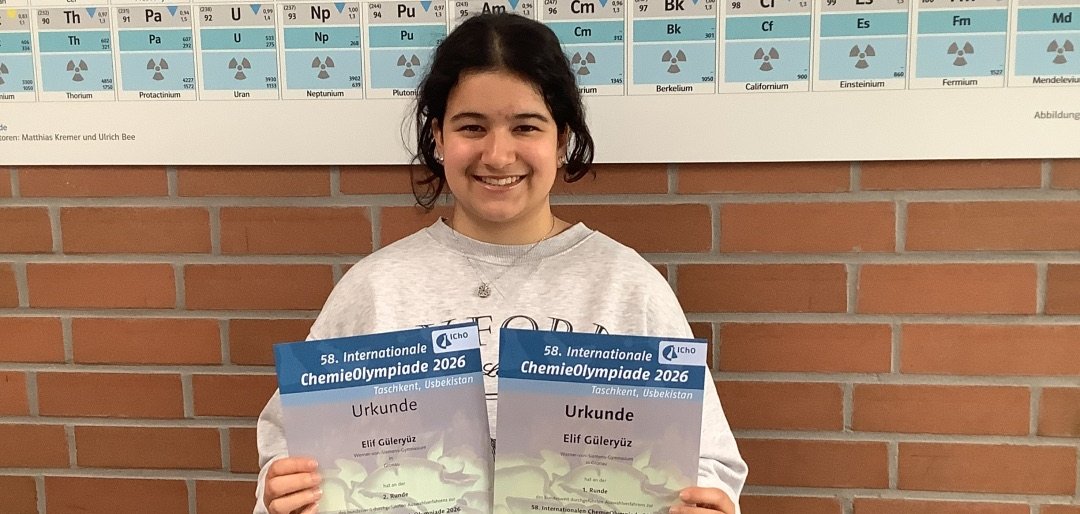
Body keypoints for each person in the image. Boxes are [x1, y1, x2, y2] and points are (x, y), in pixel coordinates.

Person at [255, 13, 747, 514]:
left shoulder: (628, 286)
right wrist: (281, 494)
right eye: (472, 127)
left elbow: (708, 462)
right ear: (438, 137)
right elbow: (288, 452)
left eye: (525, 127)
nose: (497, 154)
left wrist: (708, 503)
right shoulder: (376, 288)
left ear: (561, 139)